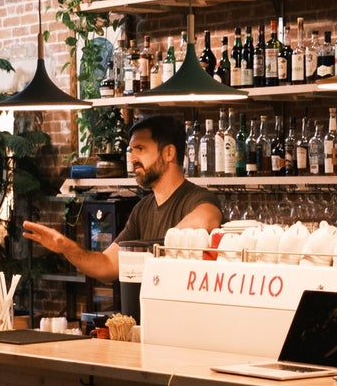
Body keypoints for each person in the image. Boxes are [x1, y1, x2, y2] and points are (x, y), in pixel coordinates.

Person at [21, 114, 222, 280]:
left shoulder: (196, 198)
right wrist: (66, 247)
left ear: (169, 153)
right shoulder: (142, 209)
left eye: (140, 149)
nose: (133, 158)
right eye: (131, 151)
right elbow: (108, 265)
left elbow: (207, 218)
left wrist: (150, 254)